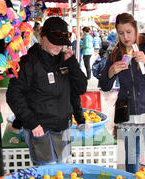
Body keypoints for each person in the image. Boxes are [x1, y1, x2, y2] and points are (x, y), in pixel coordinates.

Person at [6, 17, 88, 164]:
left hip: (63, 127)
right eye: (55, 41)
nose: (59, 46)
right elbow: (14, 94)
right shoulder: (28, 62)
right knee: (46, 176)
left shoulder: (66, 60)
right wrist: (32, 123)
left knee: (62, 173)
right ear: (42, 37)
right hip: (40, 129)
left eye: (62, 42)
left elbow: (79, 89)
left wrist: (72, 63)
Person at [99, 12, 145, 174]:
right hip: (127, 111)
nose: (125, 37)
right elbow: (104, 85)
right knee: (131, 158)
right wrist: (110, 71)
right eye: (121, 33)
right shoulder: (116, 53)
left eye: (129, 32)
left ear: (136, 29)